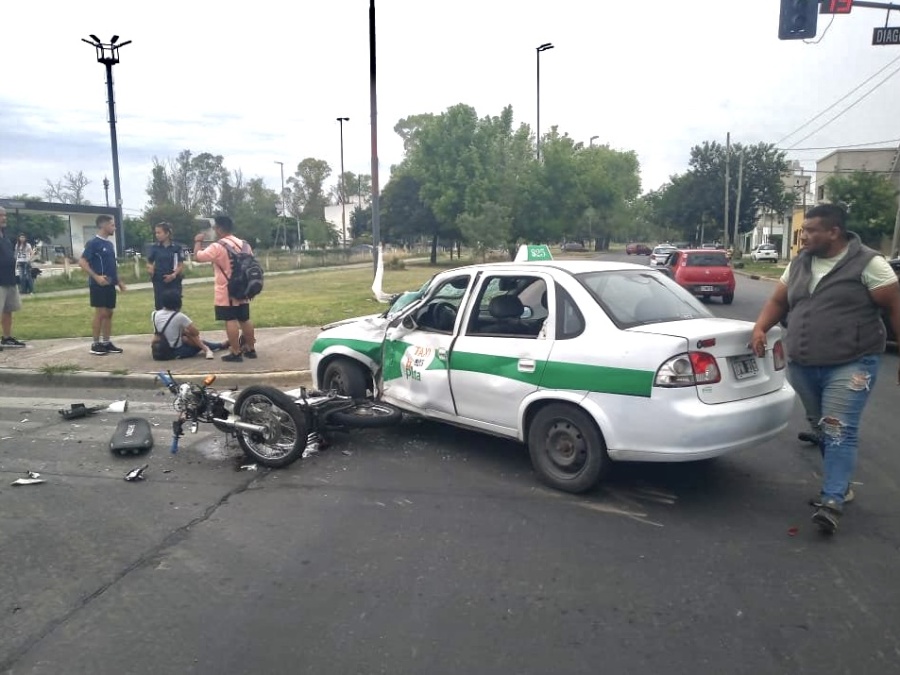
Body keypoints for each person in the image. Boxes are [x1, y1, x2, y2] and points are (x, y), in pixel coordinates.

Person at [751, 203, 900, 534]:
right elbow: (779, 301)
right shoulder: (801, 262)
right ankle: (842, 484)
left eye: (811, 231)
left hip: (852, 363)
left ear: (834, 232)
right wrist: (760, 327)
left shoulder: (869, 263)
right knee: (821, 426)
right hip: (804, 363)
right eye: (804, 231)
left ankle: (832, 500)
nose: (804, 237)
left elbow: (894, 306)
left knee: (838, 429)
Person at [192, 215, 257, 362]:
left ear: (220, 229)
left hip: (226, 290)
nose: (214, 230)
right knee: (245, 319)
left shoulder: (218, 246)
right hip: (244, 288)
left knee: (230, 319)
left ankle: (235, 351)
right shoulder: (244, 244)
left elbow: (198, 257)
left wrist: (198, 241)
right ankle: (251, 348)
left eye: (215, 227)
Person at [79, 215, 127, 355]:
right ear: (103, 226)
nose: (114, 227)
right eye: (112, 225)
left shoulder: (109, 244)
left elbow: (111, 266)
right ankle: (95, 344)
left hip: (110, 284)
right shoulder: (93, 243)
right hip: (97, 284)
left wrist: (119, 282)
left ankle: (106, 342)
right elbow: (82, 262)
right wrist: (96, 277)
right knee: (100, 313)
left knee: (109, 313)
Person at [152, 290, 225, 359]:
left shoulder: (154, 314)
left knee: (185, 337)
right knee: (194, 340)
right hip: (175, 352)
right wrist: (186, 332)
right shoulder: (179, 316)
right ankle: (218, 346)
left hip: (159, 350)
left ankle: (220, 345)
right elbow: (195, 332)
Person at [0, 207, 26, 348]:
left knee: (8, 309)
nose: (4, 218)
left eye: (5, 215)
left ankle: (7, 337)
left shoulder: (5, 236)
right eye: (1, 215)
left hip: (9, 278)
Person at [147, 222, 184, 310]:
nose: (157, 235)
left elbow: (180, 265)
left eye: (159, 232)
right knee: (160, 306)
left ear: (167, 233)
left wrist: (173, 275)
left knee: (174, 306)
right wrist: (150, 268)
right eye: (156, 233)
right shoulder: (154, 248)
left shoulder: (176, 248)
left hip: (174, 281)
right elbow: (149, 262)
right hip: (159, 281)